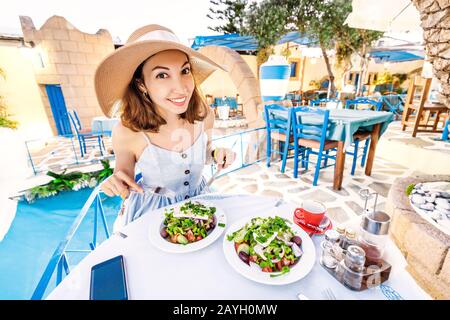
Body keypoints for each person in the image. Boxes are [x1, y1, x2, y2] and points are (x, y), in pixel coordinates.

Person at [95, 25, 236, 230]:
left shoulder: (204, 114)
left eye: (185, 71)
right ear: (141, 84)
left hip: (202, 205)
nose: (181, 87)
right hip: (154, 216)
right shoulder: (127, 132)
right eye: (162, 75)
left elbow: (205, 152)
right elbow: (124, 181)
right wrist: (115, 183)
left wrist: (216, 154)